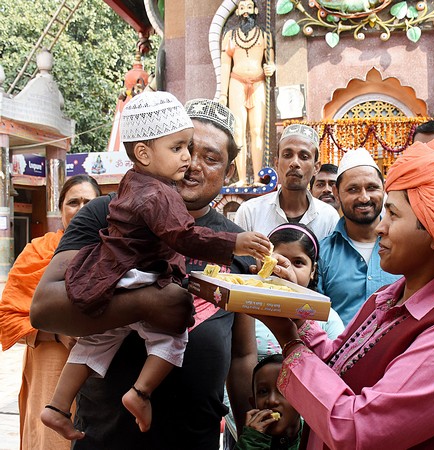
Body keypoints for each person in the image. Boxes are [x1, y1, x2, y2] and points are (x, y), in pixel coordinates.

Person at [252, 132, 434, 449]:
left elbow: (357, 429)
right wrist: (294, 312)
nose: (380, 227)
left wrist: (288, 342)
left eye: (393, 214)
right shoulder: (390, 297)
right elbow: (337, 363)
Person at [30, 98, 261, 449]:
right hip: (105, 440)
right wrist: (144, 305)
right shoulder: (104, 215)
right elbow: (43, 309)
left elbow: (243, 354)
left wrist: (248, 436)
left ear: (229, 172)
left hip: (193, 441)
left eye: (209, 158)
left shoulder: (237, 246)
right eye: (182, 148)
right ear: (147, 153)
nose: (191, 163)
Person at [0, 175, 101, 450]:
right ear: (61, 210)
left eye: (89, 202)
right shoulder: (38, 251)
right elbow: (8, 317)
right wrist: (56, 336)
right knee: (49, 441)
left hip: (101, 374)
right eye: (73, 202)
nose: (81, 209)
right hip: (49, 370)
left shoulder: (115, 252)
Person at [223, 223, 344, 448]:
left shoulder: (327, 318)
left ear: (313, 270)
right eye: (277, 261)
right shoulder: (248, 309)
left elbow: (334, 375)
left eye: (298, 263)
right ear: (262, 264)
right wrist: (245, 429)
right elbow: (236, 365)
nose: (285, 270)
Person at [317, 148, 400, 325]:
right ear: (337, 193)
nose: (364, 198)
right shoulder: (322, 253)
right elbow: (315, 320)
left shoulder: (405, 247)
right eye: (353, 189)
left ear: (383, 189)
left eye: (371, 188)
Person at [235, 123, 339, 240]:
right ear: (276, 163)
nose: (294, 163)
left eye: (304, 157)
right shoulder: (250, 212)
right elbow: (240, 258)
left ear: (316, 168)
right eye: (287, 155)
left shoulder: (329, 218)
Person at [219, 0, 276, 185]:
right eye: (241, 8)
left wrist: (271, 67)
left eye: (249, 8)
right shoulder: (230, 36)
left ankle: (258, 177)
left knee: (258, 130)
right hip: (236, 82)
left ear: (256, 10)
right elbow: (226, 66)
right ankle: (242, 178)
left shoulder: (263, 35)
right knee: (238, 131)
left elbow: (270, 60)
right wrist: (223, 94)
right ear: (237, 12)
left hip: (258, 83)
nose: (245, 12)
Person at [235, 354, 302, 450]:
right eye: (263, 391)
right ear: (253, 403)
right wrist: (252, 443)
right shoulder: (249, 441)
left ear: (302, 400)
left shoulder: (316, 438)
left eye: (282, 390)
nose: (271, 400)